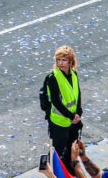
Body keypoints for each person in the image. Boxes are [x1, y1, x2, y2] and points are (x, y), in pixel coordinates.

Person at [43, 45, 83, 173]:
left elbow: (77, 94)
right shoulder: (53, 78)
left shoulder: (74, 74)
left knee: (70, 149)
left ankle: (68, 172)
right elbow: (56, 102)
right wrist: (72, 116)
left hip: (73, 120)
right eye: (58, 60)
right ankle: (52, 173)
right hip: (59, 121)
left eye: (64, 60)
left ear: (71, 61)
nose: (60, 63)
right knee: (56, 151)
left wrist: (78, 113)